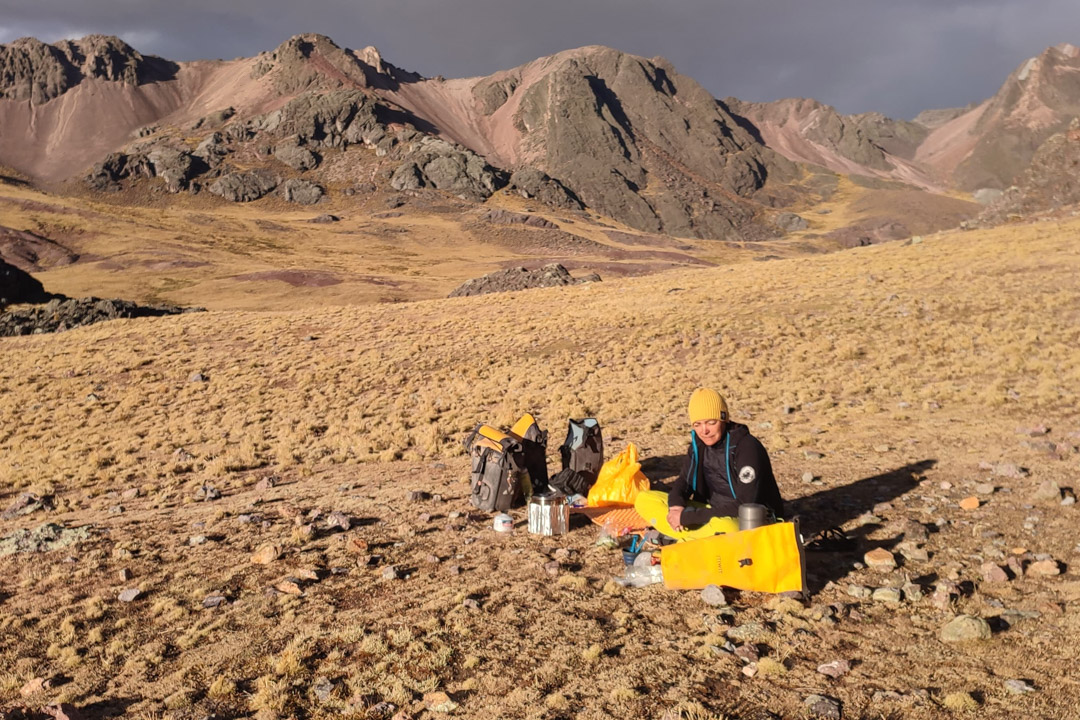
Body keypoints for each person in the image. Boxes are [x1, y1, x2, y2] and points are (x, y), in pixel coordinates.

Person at [635, 388, 784, 541]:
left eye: (711, 423)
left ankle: (686, 539)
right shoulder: (698, 446)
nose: (704, 430)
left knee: (727, 528)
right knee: (643, 499)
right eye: (697, 424)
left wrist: (689, 518)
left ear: (724, 419)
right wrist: (675, 507)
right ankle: (696, 538)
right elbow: (684, 482)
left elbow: (746, 505)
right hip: (711, 513)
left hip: (748, 520)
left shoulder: (746, 447)